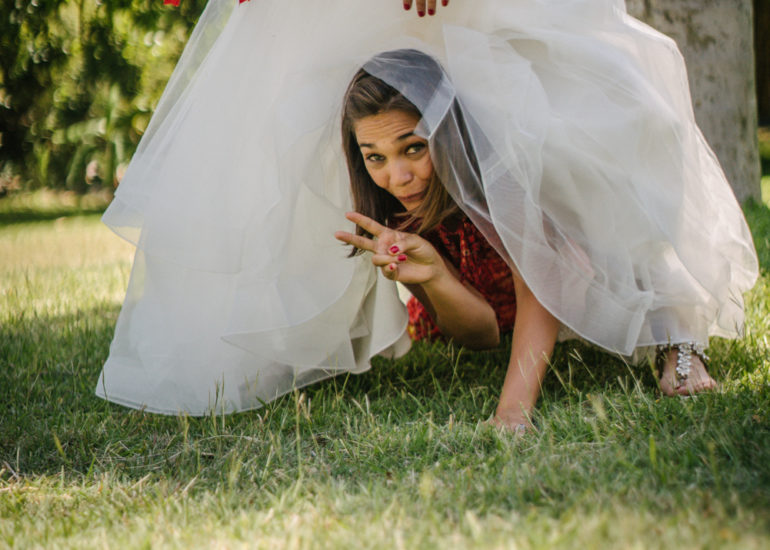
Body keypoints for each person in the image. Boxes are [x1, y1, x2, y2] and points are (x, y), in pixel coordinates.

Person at [96, 1, 758, 427]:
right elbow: (481, 335)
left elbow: (542, 286)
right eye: (375, 158)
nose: (398, 176)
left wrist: (513, 411)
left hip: (570, 269)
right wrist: (433, 276)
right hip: (493, 300)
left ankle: (680, 338)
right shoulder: (397, 205)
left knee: (604, 141)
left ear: (444, 133)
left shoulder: (494, 165)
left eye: (413, 148)